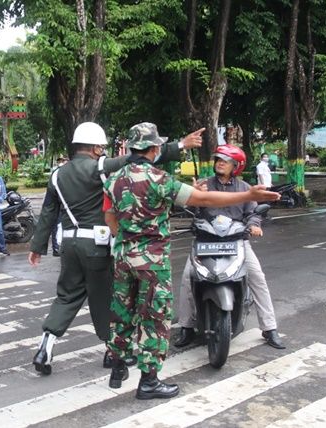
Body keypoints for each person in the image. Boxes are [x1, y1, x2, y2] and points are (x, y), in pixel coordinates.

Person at [102, 124, 280, 399]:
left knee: (122, 312)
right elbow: (204, 197)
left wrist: (127, 239)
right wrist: (248, 196)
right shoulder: (160, 179)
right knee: (154, 318)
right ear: (152, 148)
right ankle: (148, 382)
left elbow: (110, 218)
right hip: (152, 260)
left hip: (123, 257)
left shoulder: (114, 179)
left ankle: (117, 366)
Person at [28, 121, 205, 375]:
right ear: (95, 147)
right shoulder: (99, 167)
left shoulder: (57, 174)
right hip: (96, 244)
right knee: (107, 298)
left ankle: (46, 343)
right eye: (100, 146)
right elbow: (138, 157)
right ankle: (113, 353)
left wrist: (37, 246)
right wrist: (180, 145)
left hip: (68, 243)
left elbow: (47, 213)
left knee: (67, 295)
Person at [174, 144, 286, 351]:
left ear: (236, 165)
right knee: (187, 279)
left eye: (224, 161)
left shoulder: (244, 188)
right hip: (205, 241)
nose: (220, 163)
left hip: (236, 242)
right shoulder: (204, 184)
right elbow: (186, 205)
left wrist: (254, 225)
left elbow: (253, 212)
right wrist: (193, 196)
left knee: (257, 277)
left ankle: (270, 328)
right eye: (218, 160)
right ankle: (186, 327)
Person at [45, 157, 68, 257]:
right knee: (57, 226)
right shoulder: (57, 173)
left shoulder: (64, 173)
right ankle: (56, 248)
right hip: (59, 204)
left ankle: (59, 247)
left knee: (60, 226)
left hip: (64, 205)